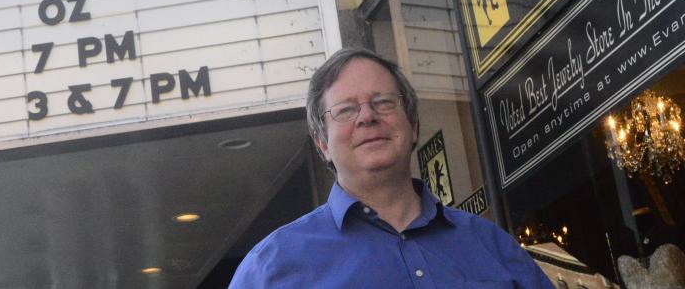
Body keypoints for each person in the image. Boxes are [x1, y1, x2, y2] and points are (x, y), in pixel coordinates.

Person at [229, 48, 554, 288]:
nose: (367, 116)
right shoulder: (270, 269)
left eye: (384, 102)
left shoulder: (491, 245)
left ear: (413, 125)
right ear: (322, 144)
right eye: (345, 110)